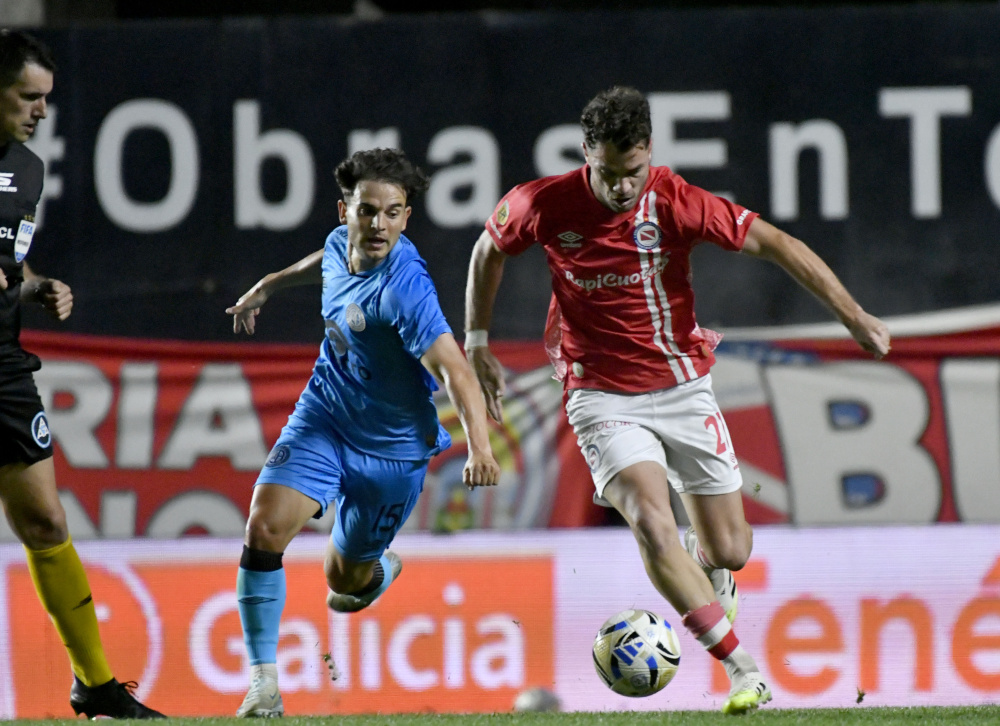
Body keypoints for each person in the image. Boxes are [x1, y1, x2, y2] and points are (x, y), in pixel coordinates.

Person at [464, 86, 891, 715]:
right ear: (586, 153)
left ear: (649, 152)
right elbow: (487, 251)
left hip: (683, 386)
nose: (619, 188)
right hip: (599, 393)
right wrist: (477, 341)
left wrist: (853, 316)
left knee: (731, 551)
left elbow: (777, 244)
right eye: (607, 173)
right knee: (647, 514)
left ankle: (705, 563)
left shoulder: (676, 200)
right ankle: (741, 668)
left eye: (631, 171)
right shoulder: (543, 202)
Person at [227, 148, 501, 718]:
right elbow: (320, 262)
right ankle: (263, 685)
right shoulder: (336, 244)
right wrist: (267, 287)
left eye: (393, 213)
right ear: (344, 211)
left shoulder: (405, 293)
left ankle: (376, 569)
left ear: (406, 218)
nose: (379, 225)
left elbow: (453, 368)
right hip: (325, 414)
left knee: (344, 582)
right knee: (263, 525)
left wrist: (479, 445)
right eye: (368, 210)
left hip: (392, 450)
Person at [0, 30, 165, 719]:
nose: (41, 111)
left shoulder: (28, 171)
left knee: (45, 520)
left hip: (3, 365)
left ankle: (94, 684)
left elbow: (10, 260)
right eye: (28, 97)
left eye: (47, 99)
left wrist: (35, 288)